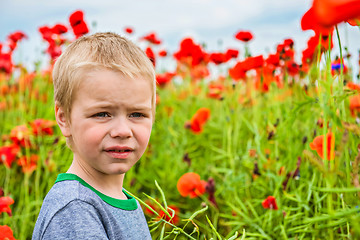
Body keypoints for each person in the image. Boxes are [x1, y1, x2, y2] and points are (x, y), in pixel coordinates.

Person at [32, 32, 155, 239]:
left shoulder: (119, 199)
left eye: (137, 114)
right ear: (64, 118)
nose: (123, 131)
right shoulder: (74, 211)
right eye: (102, 114)